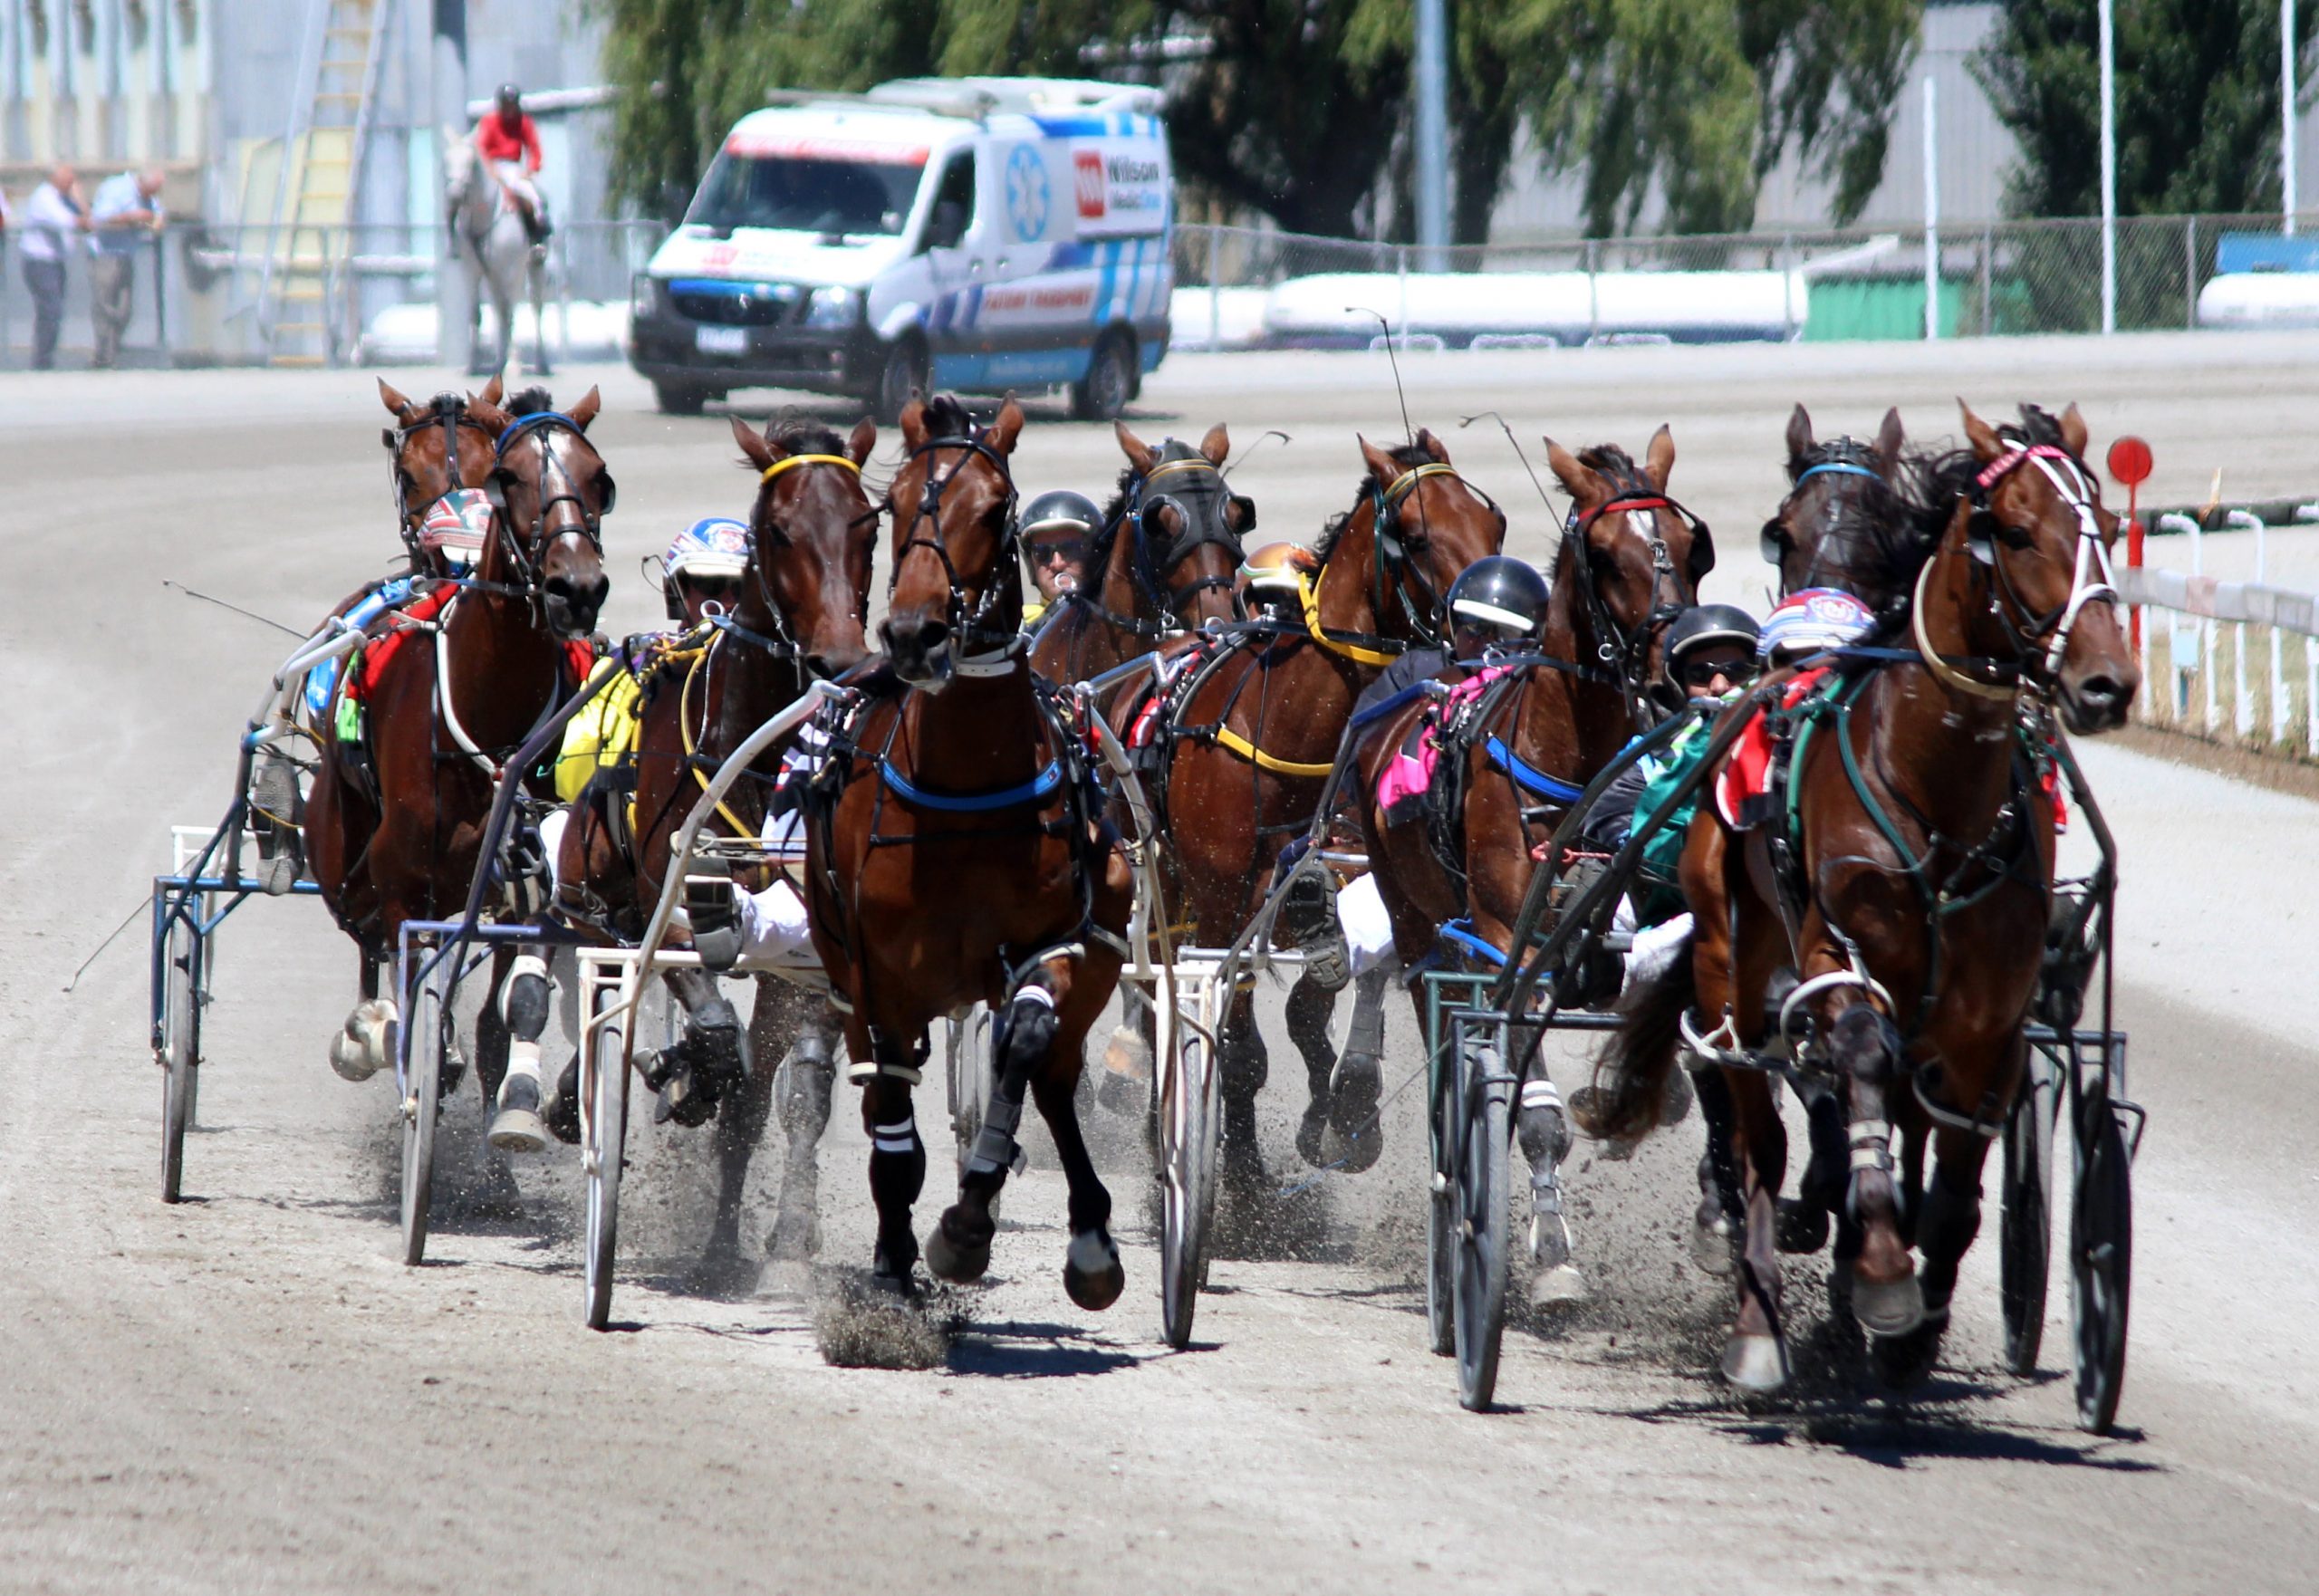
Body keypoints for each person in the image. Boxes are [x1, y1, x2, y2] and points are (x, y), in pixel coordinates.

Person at [86, 168, 164, 370]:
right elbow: (100, 218)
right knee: (105, 307)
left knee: (124, 309)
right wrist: (130, 217)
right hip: (105, 254)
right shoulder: (116, 189)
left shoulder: (147, 197)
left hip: (126, 254)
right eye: (151, 192)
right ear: (142, 185)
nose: (152, 197)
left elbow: (157, 214)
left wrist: (155, 221)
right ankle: (104, 357)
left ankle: (113, 350)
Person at [18, 166, 86, 370]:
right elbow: (69, 222)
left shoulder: (62, 198)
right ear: (56, 179)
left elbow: (87, 219)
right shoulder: (44, 198)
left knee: (54, 310)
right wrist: (80, 203)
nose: (72, 185)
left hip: (55, 262)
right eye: (69, 181)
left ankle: (46, 357)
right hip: (40, 262)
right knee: (50, 309)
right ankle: (42, 360)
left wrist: (79, 201)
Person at [474, 84, 550, 245]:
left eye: (512, 105)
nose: (509, 109)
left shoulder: (524, 122)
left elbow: (534, 149)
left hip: (513, 168)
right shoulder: (489, 121)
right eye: (506, 105)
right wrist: (490, 169)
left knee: (535, 197)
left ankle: (536, 239)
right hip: (493, 167)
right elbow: (481, 148)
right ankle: (461, 239)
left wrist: (530, 170)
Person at [1018, 490, 1100, 625]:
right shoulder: (1017, 628)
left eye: (1070, 549)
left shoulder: (1121, 620)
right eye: (1042, 552)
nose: (1057, 564)